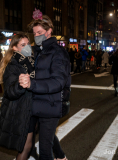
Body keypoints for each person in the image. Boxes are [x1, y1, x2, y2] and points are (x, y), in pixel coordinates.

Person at [20, 10, 70, 160]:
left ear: (49, 31)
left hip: (52, 104)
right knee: (44, 135)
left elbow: (58, 81)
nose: (37, 36)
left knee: (45, 149)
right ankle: (61, 156)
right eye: (34, 33)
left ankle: (57, 156)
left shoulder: (58, 53)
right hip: (35, 103)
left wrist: (32, 84)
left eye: (40, 32)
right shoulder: (35, 52)